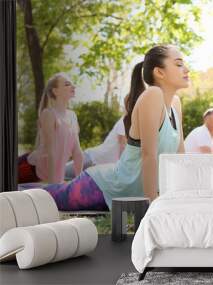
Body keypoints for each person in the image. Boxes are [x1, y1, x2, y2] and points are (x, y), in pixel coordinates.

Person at [33, 45, 188, 211]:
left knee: (47, 194)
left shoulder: (175, 104)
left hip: (124, 194)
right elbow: (148, 155)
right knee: (42, 198)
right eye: (179, 64)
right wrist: (153, 206)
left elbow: (179, 158)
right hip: (101, 187)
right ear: (159, 72)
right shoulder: (153, 95)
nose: (186, 69)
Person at [18, 73, 83, 184]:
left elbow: (77, 152)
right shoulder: (49, 114)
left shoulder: (72, 115)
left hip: (50, 174)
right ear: (55, 91)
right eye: (67, 84)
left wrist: (79, 182)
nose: (73, 87)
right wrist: (53, 184)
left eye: (72, 84)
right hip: (29, 169)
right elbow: (50, 152)